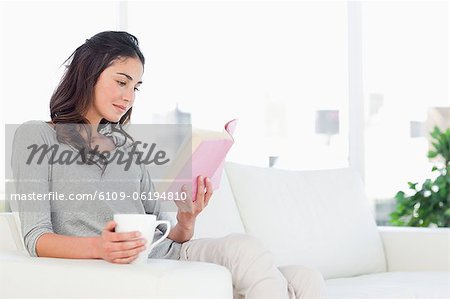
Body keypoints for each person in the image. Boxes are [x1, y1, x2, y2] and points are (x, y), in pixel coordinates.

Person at [10, 31, 326, 299]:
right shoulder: (36, 135)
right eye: (121, 82)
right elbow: (36, 237)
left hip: (168, 257)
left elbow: (168, 235)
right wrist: (101, 247)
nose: (129, 96)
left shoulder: (127, 147)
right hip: (130, 267)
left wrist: (187, 220)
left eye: (135, 87)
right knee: (244, 248)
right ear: (88, 74)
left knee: (306, 278)